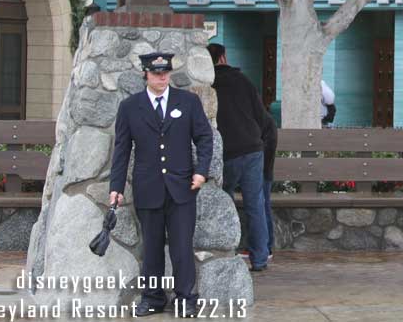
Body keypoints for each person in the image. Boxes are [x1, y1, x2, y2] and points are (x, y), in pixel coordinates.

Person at [109, 53, 213, 317]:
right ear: (145, 73)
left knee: (181, 248)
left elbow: (204, 138)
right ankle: (153, 297)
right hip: (148, 188)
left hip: (182, 189)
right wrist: (116, 187)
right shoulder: (130, 107)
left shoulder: (187, 102)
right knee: (152, 248)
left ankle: (186, 299)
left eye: (165, 72)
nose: (162, 77)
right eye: (156, 73)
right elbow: (121, 150)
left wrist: (201, 172)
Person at [208, 42, 270, 272]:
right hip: (253, 149)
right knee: (256, 204)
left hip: (226, 153)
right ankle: (260, 258)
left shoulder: (208, 84)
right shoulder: (243, 81)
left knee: (224, 202)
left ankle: (227, 251)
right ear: (223, 58)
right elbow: (262, 117)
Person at [261, 110, 278, 259]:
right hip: (261, 171)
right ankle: (264, 246)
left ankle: (266, 246)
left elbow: (269, 149)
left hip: (262, 172)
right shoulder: (264, 120)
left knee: (263, 205)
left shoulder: (265, 121)